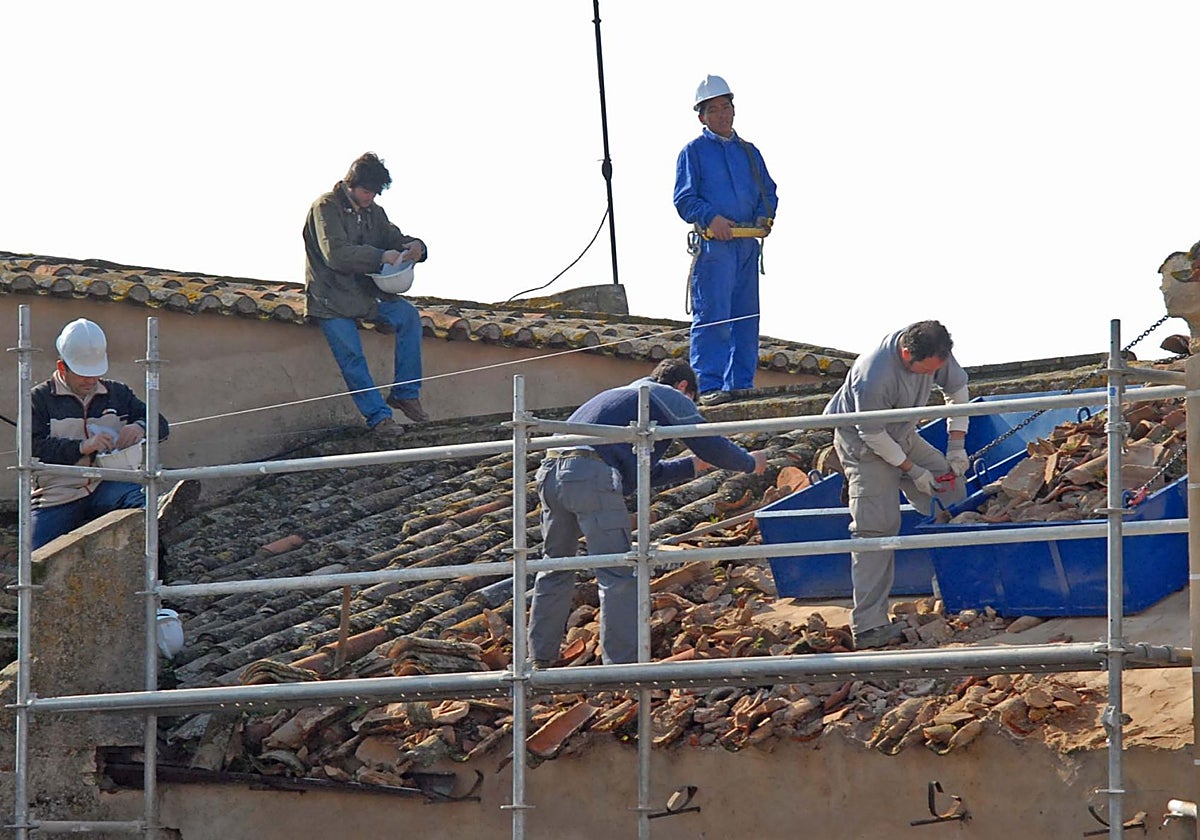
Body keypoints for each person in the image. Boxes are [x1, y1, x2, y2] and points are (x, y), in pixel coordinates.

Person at [528, 359, 769, 666]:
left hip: (551, 473)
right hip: (590, 473)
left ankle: (540, 659)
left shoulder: (622, 399)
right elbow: (709, 443)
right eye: (691, 400)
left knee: (555, 567)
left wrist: (690, 465)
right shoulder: (663, 394)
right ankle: (622, 667)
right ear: (684, 388)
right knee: (618, 571)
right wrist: (749, 462)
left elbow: (644, 473)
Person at [823, 321, 970, 649]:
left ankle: (963, 591)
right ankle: (869, 626)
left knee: (953, 493)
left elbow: (957, 391)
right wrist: (914, 471)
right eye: (925, 371)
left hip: (902, 433)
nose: (929, 375)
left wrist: (956, 446)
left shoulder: (936, 351)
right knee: (877, 528)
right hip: (864, 446)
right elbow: (872, 433)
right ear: (906, 354)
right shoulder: (873, 373)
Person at [303, 151, 429, 434]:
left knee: (408, 316)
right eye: (365, 190)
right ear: (351, 184)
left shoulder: (374, 213)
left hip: (366, 298)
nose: (369, 197)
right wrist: (380, 256)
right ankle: (378, 417)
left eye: (374, 192)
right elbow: (335, 254)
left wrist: (415, 246)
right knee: (352, 357)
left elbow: (393, 237)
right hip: (331, 299)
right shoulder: (326, 207)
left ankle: (405, 393)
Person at [673, 74, 779, 407]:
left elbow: (769, 191)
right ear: (701, 116)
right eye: (714, 110)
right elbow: (684, 198)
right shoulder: (693, 152)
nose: (722, 115)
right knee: (714, 317)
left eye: (726, 107)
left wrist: (765, 216)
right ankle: (709, 384)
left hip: (747, 244)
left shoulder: (749, 152)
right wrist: (710, 218)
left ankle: (741, 384)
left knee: (746, 317)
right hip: (715, 247)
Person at [30, 318, 170, 549]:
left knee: (144, 508)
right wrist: (82, 447)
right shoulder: (39, 398)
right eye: (83, 374)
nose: (91, 380)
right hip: (57, 492)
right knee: (38, 557)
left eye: (95, 373)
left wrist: (140, 426)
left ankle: (158, 572)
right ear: (62, 367)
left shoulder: (118, 393)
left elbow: (161, 425)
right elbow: (31, 447)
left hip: (108, 484)